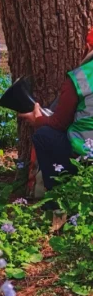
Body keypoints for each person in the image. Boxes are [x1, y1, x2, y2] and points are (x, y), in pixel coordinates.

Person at [18, 28, 93, 188]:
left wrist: (37, 119)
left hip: (85, 157)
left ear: (88, 48)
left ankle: (56, 200)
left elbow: (59, 123)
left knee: (44, 136)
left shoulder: (80, 77)